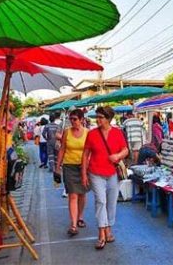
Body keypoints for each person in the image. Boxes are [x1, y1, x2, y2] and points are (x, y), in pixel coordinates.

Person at [81, 106, 128, 250]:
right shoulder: (92, 134)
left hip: (112, 172)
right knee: (100, 201)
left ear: (108, 119)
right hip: (95, 172)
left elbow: (125, 149)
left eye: (101, 117)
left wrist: (118, 156)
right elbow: (85, 154)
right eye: (97, 117)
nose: (98, 120)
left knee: (111, 203)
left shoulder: (117, 133)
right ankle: (101, 232)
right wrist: (84, 173)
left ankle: (108, 227)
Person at [56, 109, 88, 237]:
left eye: (75, 119)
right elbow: (62, 149)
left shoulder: (87, 133)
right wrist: (57, 166)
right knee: (72, 195)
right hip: (69, 166)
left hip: (83, 167)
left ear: (81, 120)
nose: (72, 121)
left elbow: (90, 150)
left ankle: (80, 217)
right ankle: (73, 224)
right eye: (71, 119)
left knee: (82, 194)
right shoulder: (66, 133)